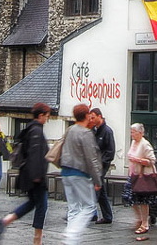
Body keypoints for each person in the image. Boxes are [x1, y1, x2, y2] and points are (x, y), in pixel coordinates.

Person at [0, 103, 51, 245]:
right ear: (41, 115)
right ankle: (37, 240)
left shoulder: (30, 128)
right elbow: (35, 155)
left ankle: (5, 221)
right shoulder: (36, 131)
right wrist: (37, 176)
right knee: (42, 206)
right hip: (35, 175)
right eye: (47, 116)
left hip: (29, 174)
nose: (47, 119)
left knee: (32, 203)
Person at [59, 104, 102, 245]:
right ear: (86, 115)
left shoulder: (69, 130)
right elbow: (92, 158)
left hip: (65, 171)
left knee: (73, 207)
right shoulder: (85, 133)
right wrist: (97, 180)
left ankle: (71, 238)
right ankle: (71, 234)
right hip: (79, 173)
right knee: (89, 207)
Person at [126, 122, 157, 237]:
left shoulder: (145, 144)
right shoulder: (134, 142)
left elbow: (152, 161)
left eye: (133, 132)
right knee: (129, 198)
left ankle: (145, 223)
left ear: (140, 133)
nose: (131, 134)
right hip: (133, 175)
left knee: (143, 201)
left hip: (143, 176)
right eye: (131, 132)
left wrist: (137, 160)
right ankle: (140, 218)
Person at [89, 107, 116, 224]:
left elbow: (110, 151)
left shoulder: (107, 131)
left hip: (100, 167)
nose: (92, 120)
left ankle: (86, 213)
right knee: (101, 193)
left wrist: (102, 165)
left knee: (95, 189)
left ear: (100, 116)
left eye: (93, 117)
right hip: (95, 165)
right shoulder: (96, 131)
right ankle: (107, 216)